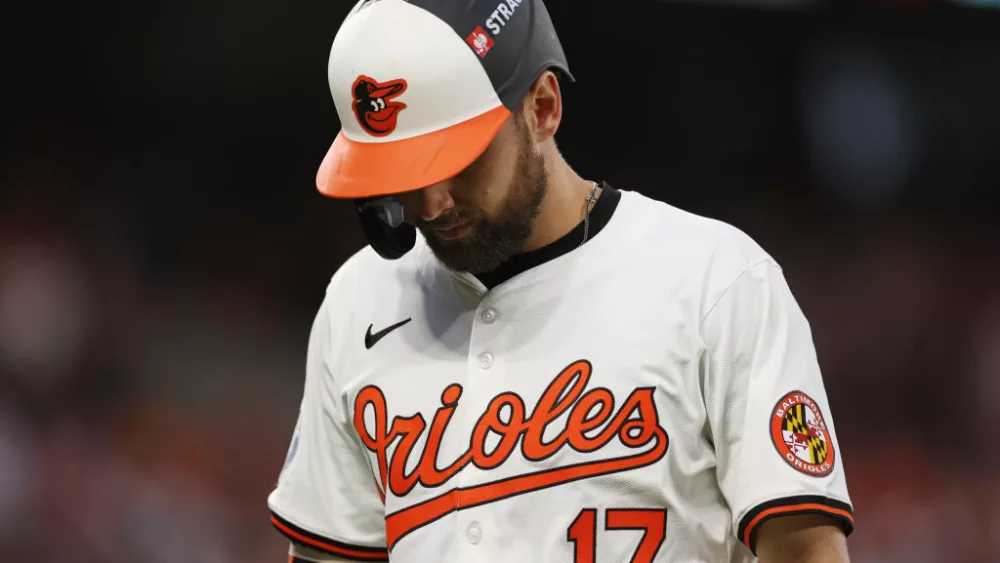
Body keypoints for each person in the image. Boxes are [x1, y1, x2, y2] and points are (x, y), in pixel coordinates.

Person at [267, 0, 855, 562]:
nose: (432, 203)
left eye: (454, 160)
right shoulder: (356, 303)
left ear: (543, 108)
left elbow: (806, 553)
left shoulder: (716, 281)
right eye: (402, 171)